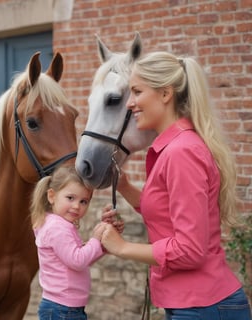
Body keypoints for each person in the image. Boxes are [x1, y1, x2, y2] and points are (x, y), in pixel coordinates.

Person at [100, 51, 252, 320]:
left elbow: (190, 250)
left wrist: (121, 247)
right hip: (194, 305)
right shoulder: (175, 148)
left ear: (166, 94)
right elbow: (168, 210)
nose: (130, 103)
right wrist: (124, 186)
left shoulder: (182, 153)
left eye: (136, 91)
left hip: (203, 307)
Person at [31, 165, 123, 320]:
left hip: (64, 308)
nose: (76, 206)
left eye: (83, 201)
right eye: (70, 198)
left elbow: (82, 259)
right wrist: (95, 238)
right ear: (52, 196)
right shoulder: (57, 228)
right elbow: (78, 260)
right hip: (62, 309)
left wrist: (103, 241)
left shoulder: (59, 224)